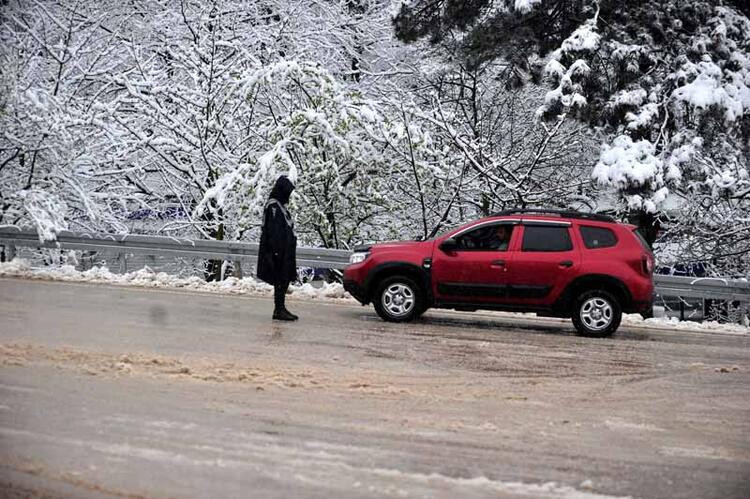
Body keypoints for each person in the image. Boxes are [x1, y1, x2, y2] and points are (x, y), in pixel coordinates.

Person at [257, 176, 298, 321]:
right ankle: (279, 309)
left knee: (284, 279)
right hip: (278, 253)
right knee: (280, 279)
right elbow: (274, 231)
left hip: (284, 252)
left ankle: (280, 308)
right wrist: (276, 252)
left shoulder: (279, 206)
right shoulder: (273, 206)